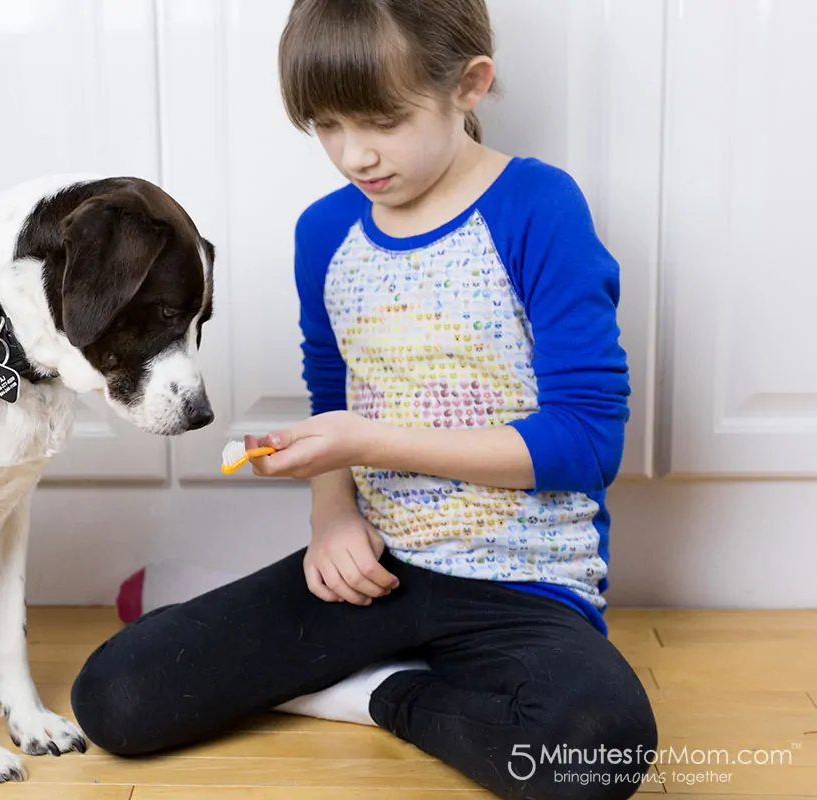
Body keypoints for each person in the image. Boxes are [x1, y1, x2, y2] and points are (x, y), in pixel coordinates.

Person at [71, 1, 657, 796]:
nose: (353, 154)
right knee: (115, 697)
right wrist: (332, 514)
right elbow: (330, 390)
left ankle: (376, 693)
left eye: (381, 120)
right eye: (325, 125)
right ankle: (347, 654)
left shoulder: (538, 208)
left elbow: (587, 443)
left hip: (523, 584)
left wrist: (366, 442)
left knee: (597, 749)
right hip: (373, 572)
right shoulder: (326, 234)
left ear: (470, 85)